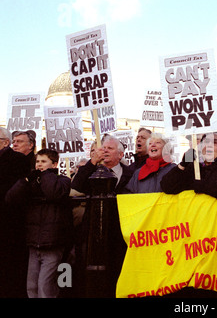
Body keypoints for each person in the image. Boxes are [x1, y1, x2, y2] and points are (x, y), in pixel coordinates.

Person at [72, 135, 133, 297]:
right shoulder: (91, 169)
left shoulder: (131, 173)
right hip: (95, 233)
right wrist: (92, 162)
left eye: (110, 148)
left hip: (121, 233)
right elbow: (76, 185)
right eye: (103, 148)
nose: (105, 151)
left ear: (120, 155)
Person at [6, 149, 72, 298]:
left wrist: (47, 174)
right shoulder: (32, 182)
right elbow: (10, 198)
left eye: (43, 162)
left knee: (45, 286)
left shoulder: (63, 180)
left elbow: (53, 193)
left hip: (52, 242)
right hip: (34, 241)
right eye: (37, 162)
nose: (39, 165)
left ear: (54, 164)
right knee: (32, 286)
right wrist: (25, 181)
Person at [161, 132, 217, 200]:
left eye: (215, 142)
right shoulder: (193, 168)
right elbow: (167, 187)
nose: (209, 145)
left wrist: (201, 185)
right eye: (206, 141)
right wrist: (182, 165)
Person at [0, 127, 30, 298]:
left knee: (9, 266)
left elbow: (16, 188)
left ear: (5, 142)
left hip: (9, 221)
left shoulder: (17, 159)